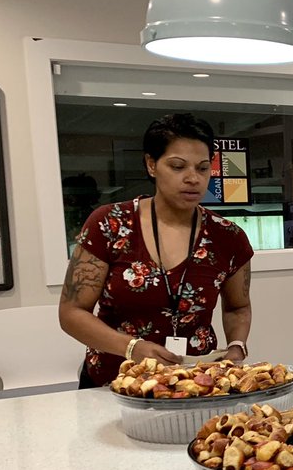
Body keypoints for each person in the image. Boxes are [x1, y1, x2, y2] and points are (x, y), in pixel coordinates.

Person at [60, 113, 253, 387]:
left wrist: (236, 346)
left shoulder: (227, 236)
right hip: (114, 382)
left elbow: (238, 307)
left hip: (193, 383)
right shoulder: (110, 224)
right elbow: (72, 313)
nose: (192, 179)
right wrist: (132, 348)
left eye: (202, 168)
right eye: (177, 166)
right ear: (151, 165)